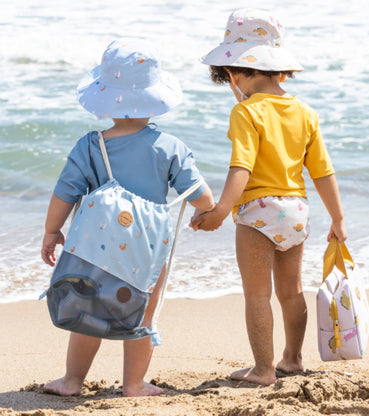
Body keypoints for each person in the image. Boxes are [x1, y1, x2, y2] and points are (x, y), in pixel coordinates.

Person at [41, 38, 215, 397]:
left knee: (87, 312)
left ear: (105, 100)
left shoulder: (91, 145)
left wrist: (51, 231)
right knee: (142, 316)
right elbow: (203, 197)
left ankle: (73, 381)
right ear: (154, 98)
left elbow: (64, 193)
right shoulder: (169, 147)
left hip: (94, 251)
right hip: (146, 252)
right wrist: (202, 213)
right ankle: (134, 384)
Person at [190, 9, 347, 386]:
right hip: (296, 210)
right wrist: (338, 219)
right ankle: (292, 358)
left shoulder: (245, 111)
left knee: (258, 295)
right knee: (291, 292)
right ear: (280, 70)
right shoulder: (305, 111)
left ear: (236, 72)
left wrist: (218, 211)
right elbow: (322, 171)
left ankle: (263, 370)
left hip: (258, 211)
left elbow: (240, 168)